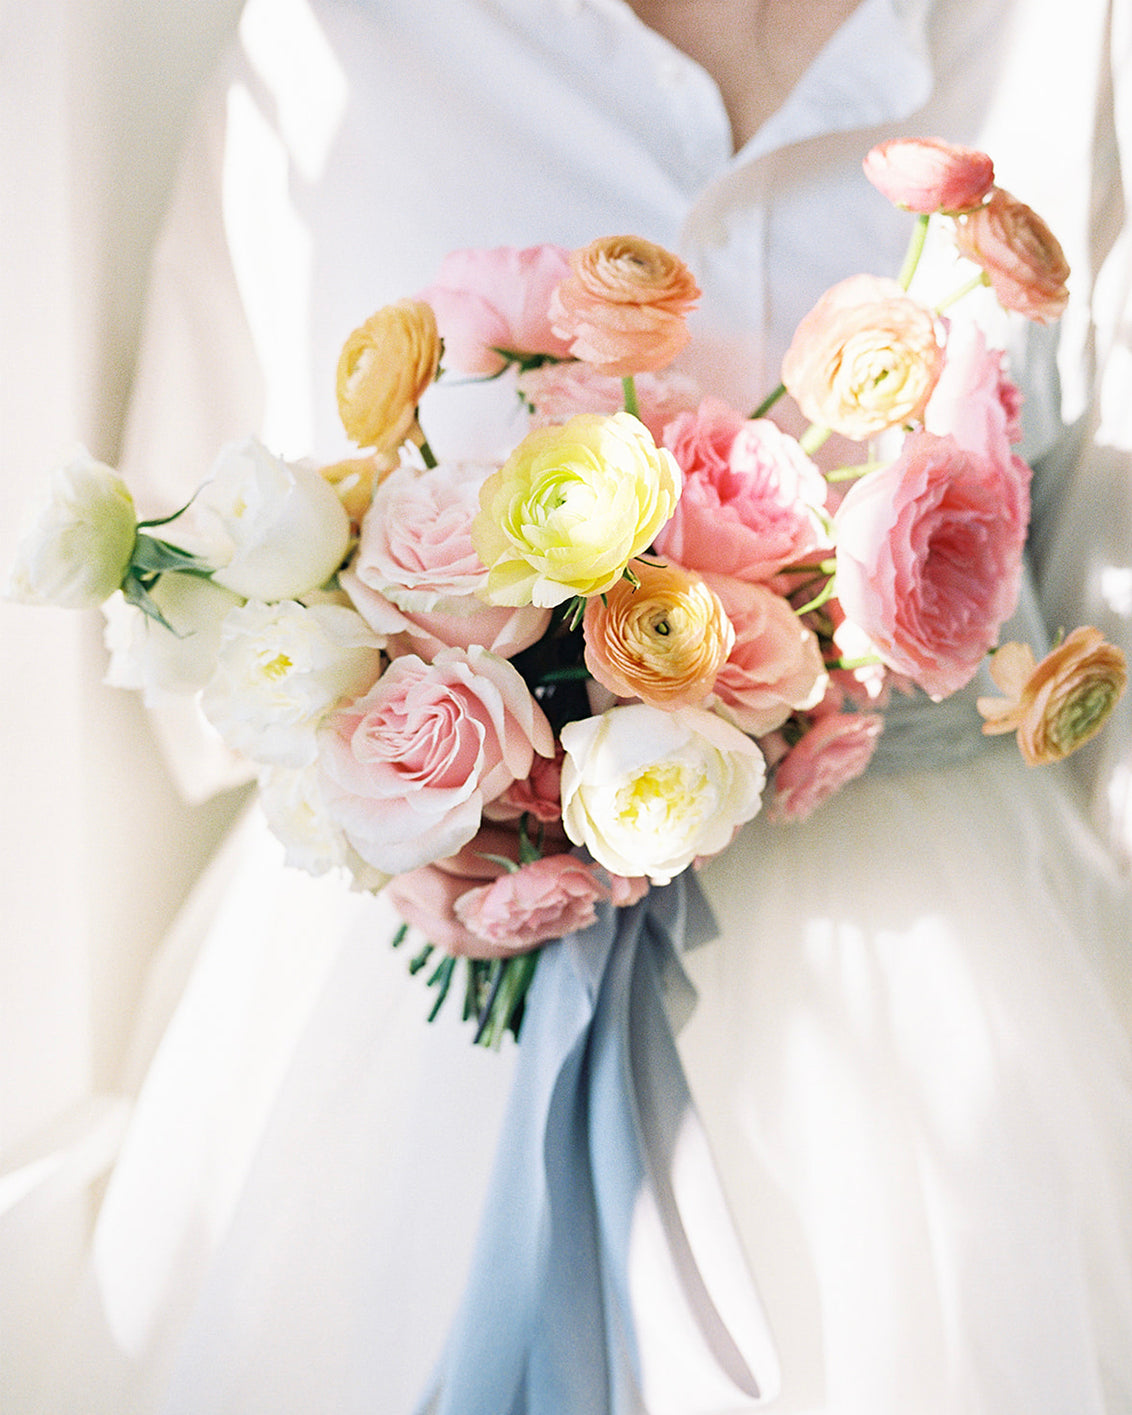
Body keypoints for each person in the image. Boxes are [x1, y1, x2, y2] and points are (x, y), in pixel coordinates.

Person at [31, 0, 1132, 1411]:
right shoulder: (340, 40)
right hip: (406, 1000)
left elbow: (1099, 605)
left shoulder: (1061, 35)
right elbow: (201, 587)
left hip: (948, 959)